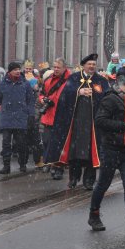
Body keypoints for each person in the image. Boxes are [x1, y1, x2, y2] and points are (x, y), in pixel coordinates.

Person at [88, 68, 125, 234]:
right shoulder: (110, 99)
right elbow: (100, 121)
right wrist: (124, 126)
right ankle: (94, 214)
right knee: (103, 185)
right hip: (111, 149)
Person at [45, 54, 110, 189]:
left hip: (93, 125)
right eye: (89, 64)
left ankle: (89, 181)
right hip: (76, 124)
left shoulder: (101, 81)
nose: (91, 66)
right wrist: (78, 92)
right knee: (74, 153)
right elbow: (65, 97)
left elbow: (106, 98)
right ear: (83, 65)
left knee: (91, 154)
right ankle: (73, 178)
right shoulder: (73, 79)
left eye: (93, 64)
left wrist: (95, 95)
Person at [0, 62, 35, 174]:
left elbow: (30, 101)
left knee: (21, 143)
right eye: (15, 69)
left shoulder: (25, 84)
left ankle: (22, 164)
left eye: (19, 69)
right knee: (6, 143)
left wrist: (31, 114)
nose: (18, 71)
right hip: (7, 118)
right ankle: (6, 166)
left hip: (21, 117)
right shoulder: (3, 84)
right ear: (9, 71)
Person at [39, 59, 70, 179]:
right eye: (54, 67)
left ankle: (58, 168)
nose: (56, 69)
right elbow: (41, 94)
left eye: (58, 67)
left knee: (60, 145)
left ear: (64, 68)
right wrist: (42, 100)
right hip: (48, 116)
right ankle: (50, 163)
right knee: (46, 142)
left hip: (62, 118)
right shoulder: (48, 80)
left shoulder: (70, 81)